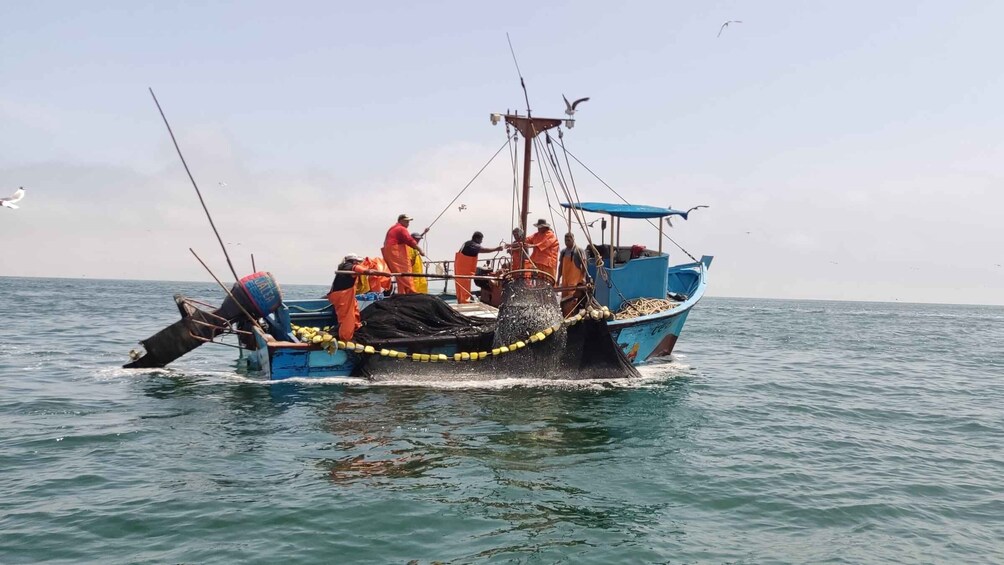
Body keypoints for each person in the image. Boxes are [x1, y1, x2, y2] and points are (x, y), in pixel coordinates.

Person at [382, 213, 427, 295]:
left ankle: (402, 293)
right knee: (405, 273)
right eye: (406, 221)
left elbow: (411, 240)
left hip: (389, 252)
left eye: (408, 222)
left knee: (400, 276)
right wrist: (420, 250)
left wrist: (424, 233)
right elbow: (410, 240)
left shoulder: (393, 228)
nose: (408, 224)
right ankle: (411, 293)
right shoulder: (401, 229)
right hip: (395, 251)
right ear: (400, 221)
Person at [327, 254, 368, 341]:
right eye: (357, 262)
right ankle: (345, 339)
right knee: (347, 318)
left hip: (345, 295)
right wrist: (382, 273)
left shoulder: (343, 267)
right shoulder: (349, 267)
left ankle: (356, 329)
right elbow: (364, 271)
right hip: (343, 295)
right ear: (354, 261)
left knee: (355, 311)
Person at [454, 231, 503, 304]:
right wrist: (496, 249)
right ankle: (464, 305)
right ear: (477, 238)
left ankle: (460, 302)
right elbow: (482, 250)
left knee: (460, 288)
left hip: (459, 268)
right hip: (464, 270)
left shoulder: (467, 243)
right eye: (481, 240)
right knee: (465, 289)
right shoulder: (472, 244)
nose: (481, 242)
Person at [556, 233, 591, 316]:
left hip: (575, 281)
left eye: (569, 238)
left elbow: (584, 264)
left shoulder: (578, 250)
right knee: (564, 301)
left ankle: (573, 317)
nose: (567, 240)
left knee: (573, 300)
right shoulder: (563, 252)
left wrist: (583, 277)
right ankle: (565, 317)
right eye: (566, 239)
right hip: (565, 282)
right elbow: (560, 266)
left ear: (573, 239)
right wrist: (558, 279)